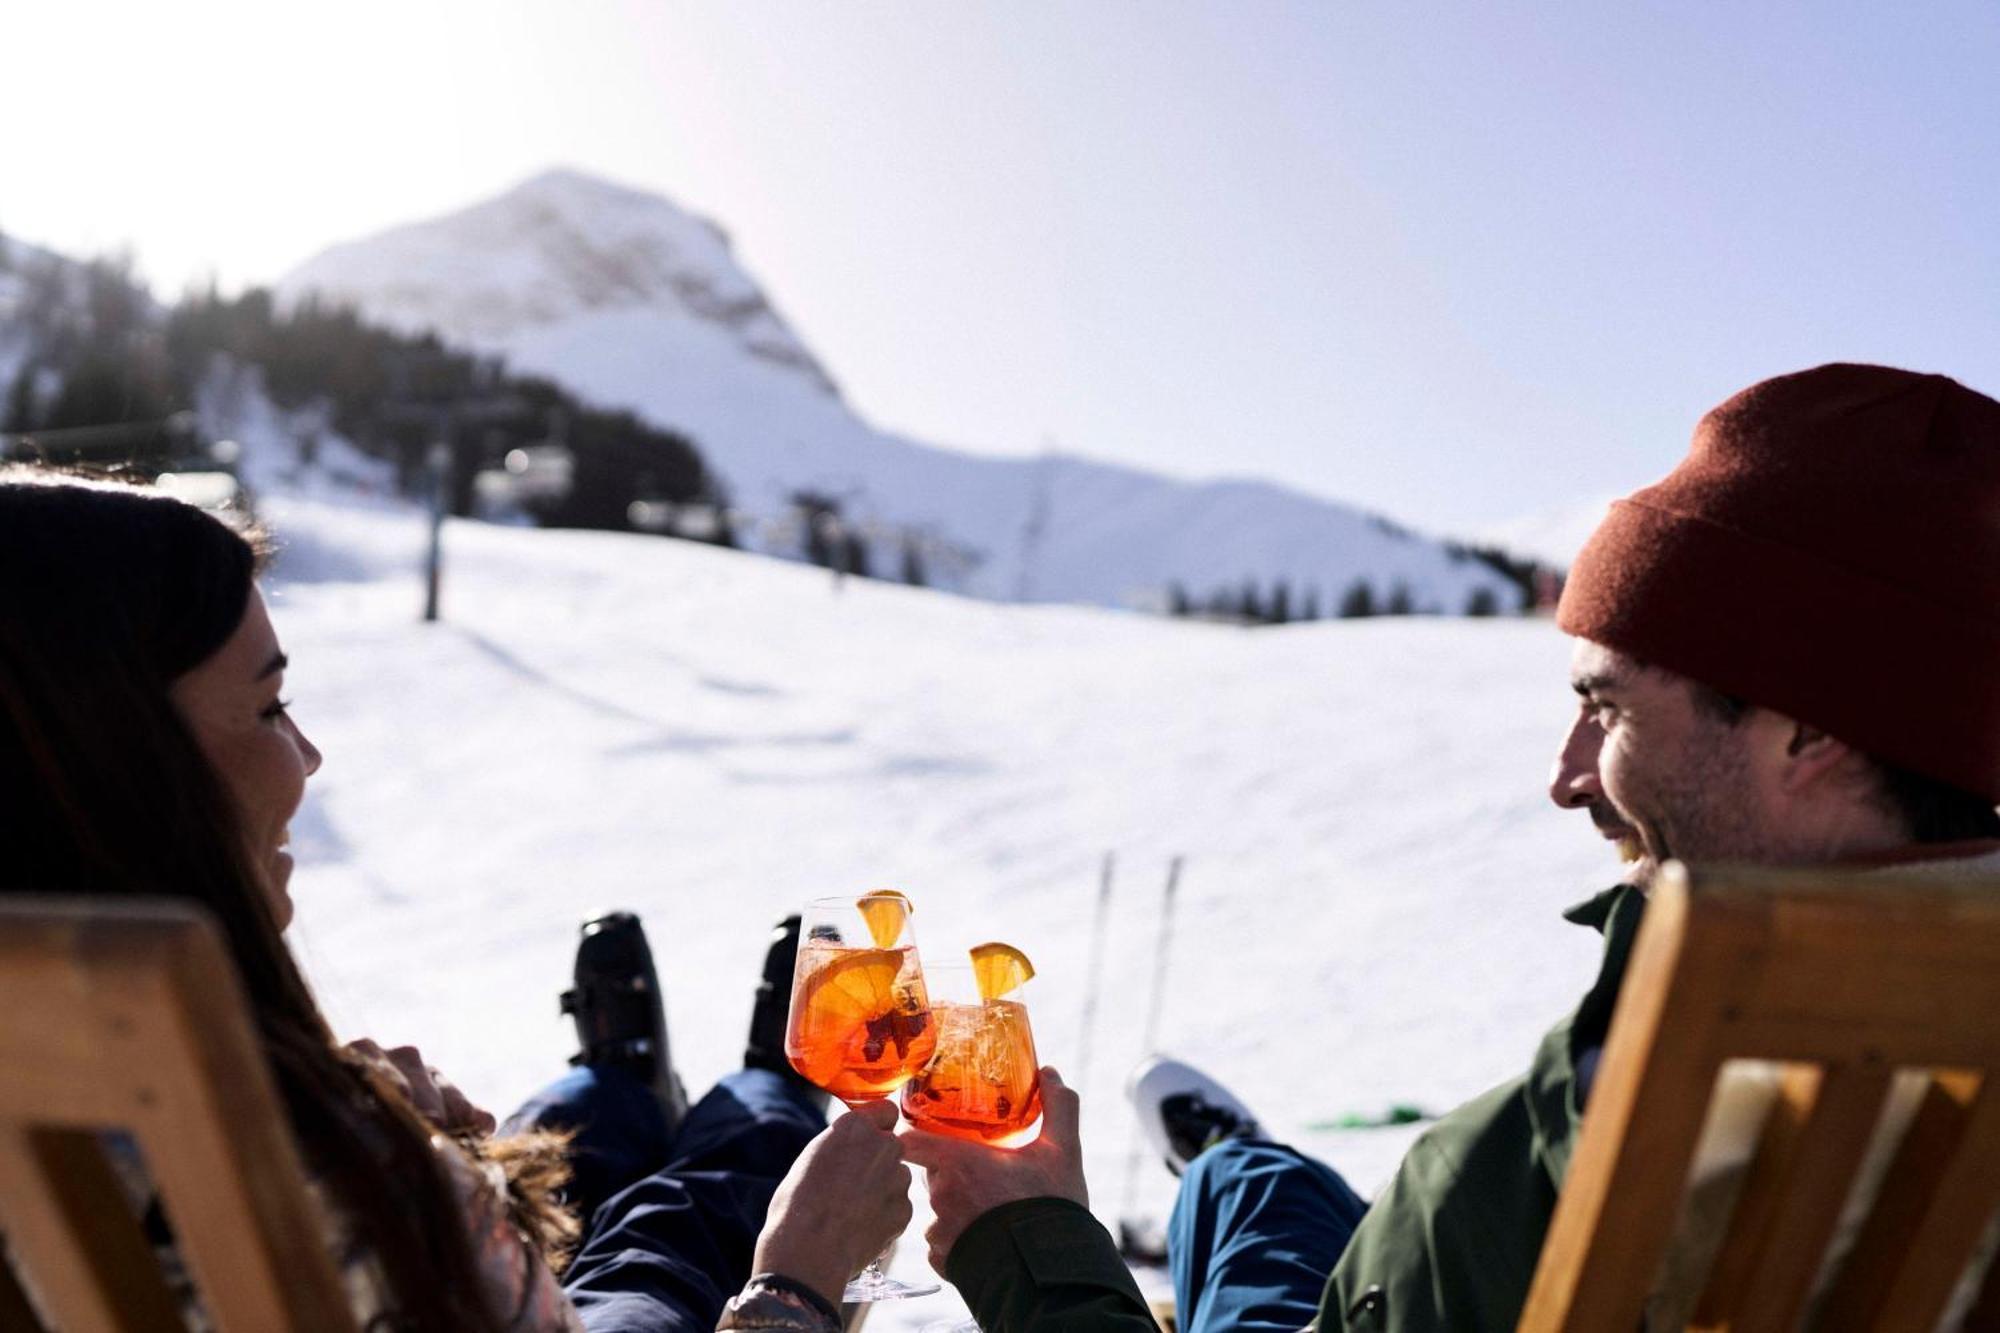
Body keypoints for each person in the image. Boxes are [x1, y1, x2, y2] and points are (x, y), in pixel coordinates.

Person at [907, 362, 2000, 1331]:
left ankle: (1225, 1166)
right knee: (1259, 1187)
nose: (1566, 775)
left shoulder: (1668, 1103)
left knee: (1243, 1204)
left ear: (1805, 728)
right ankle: (1231, 1157)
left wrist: (1028, 1246)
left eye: (1606, 710)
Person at [0, 470, 911, 1333]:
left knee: (584, 1117)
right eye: (272, 707)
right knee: (669, 1226)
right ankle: (769, 1089)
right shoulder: (295, 1186)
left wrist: (382, 1128)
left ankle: (628, 1074)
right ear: (120, 768)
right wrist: (799, 1283)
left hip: (455, 1253)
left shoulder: (95, 1107)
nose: (307, 755)